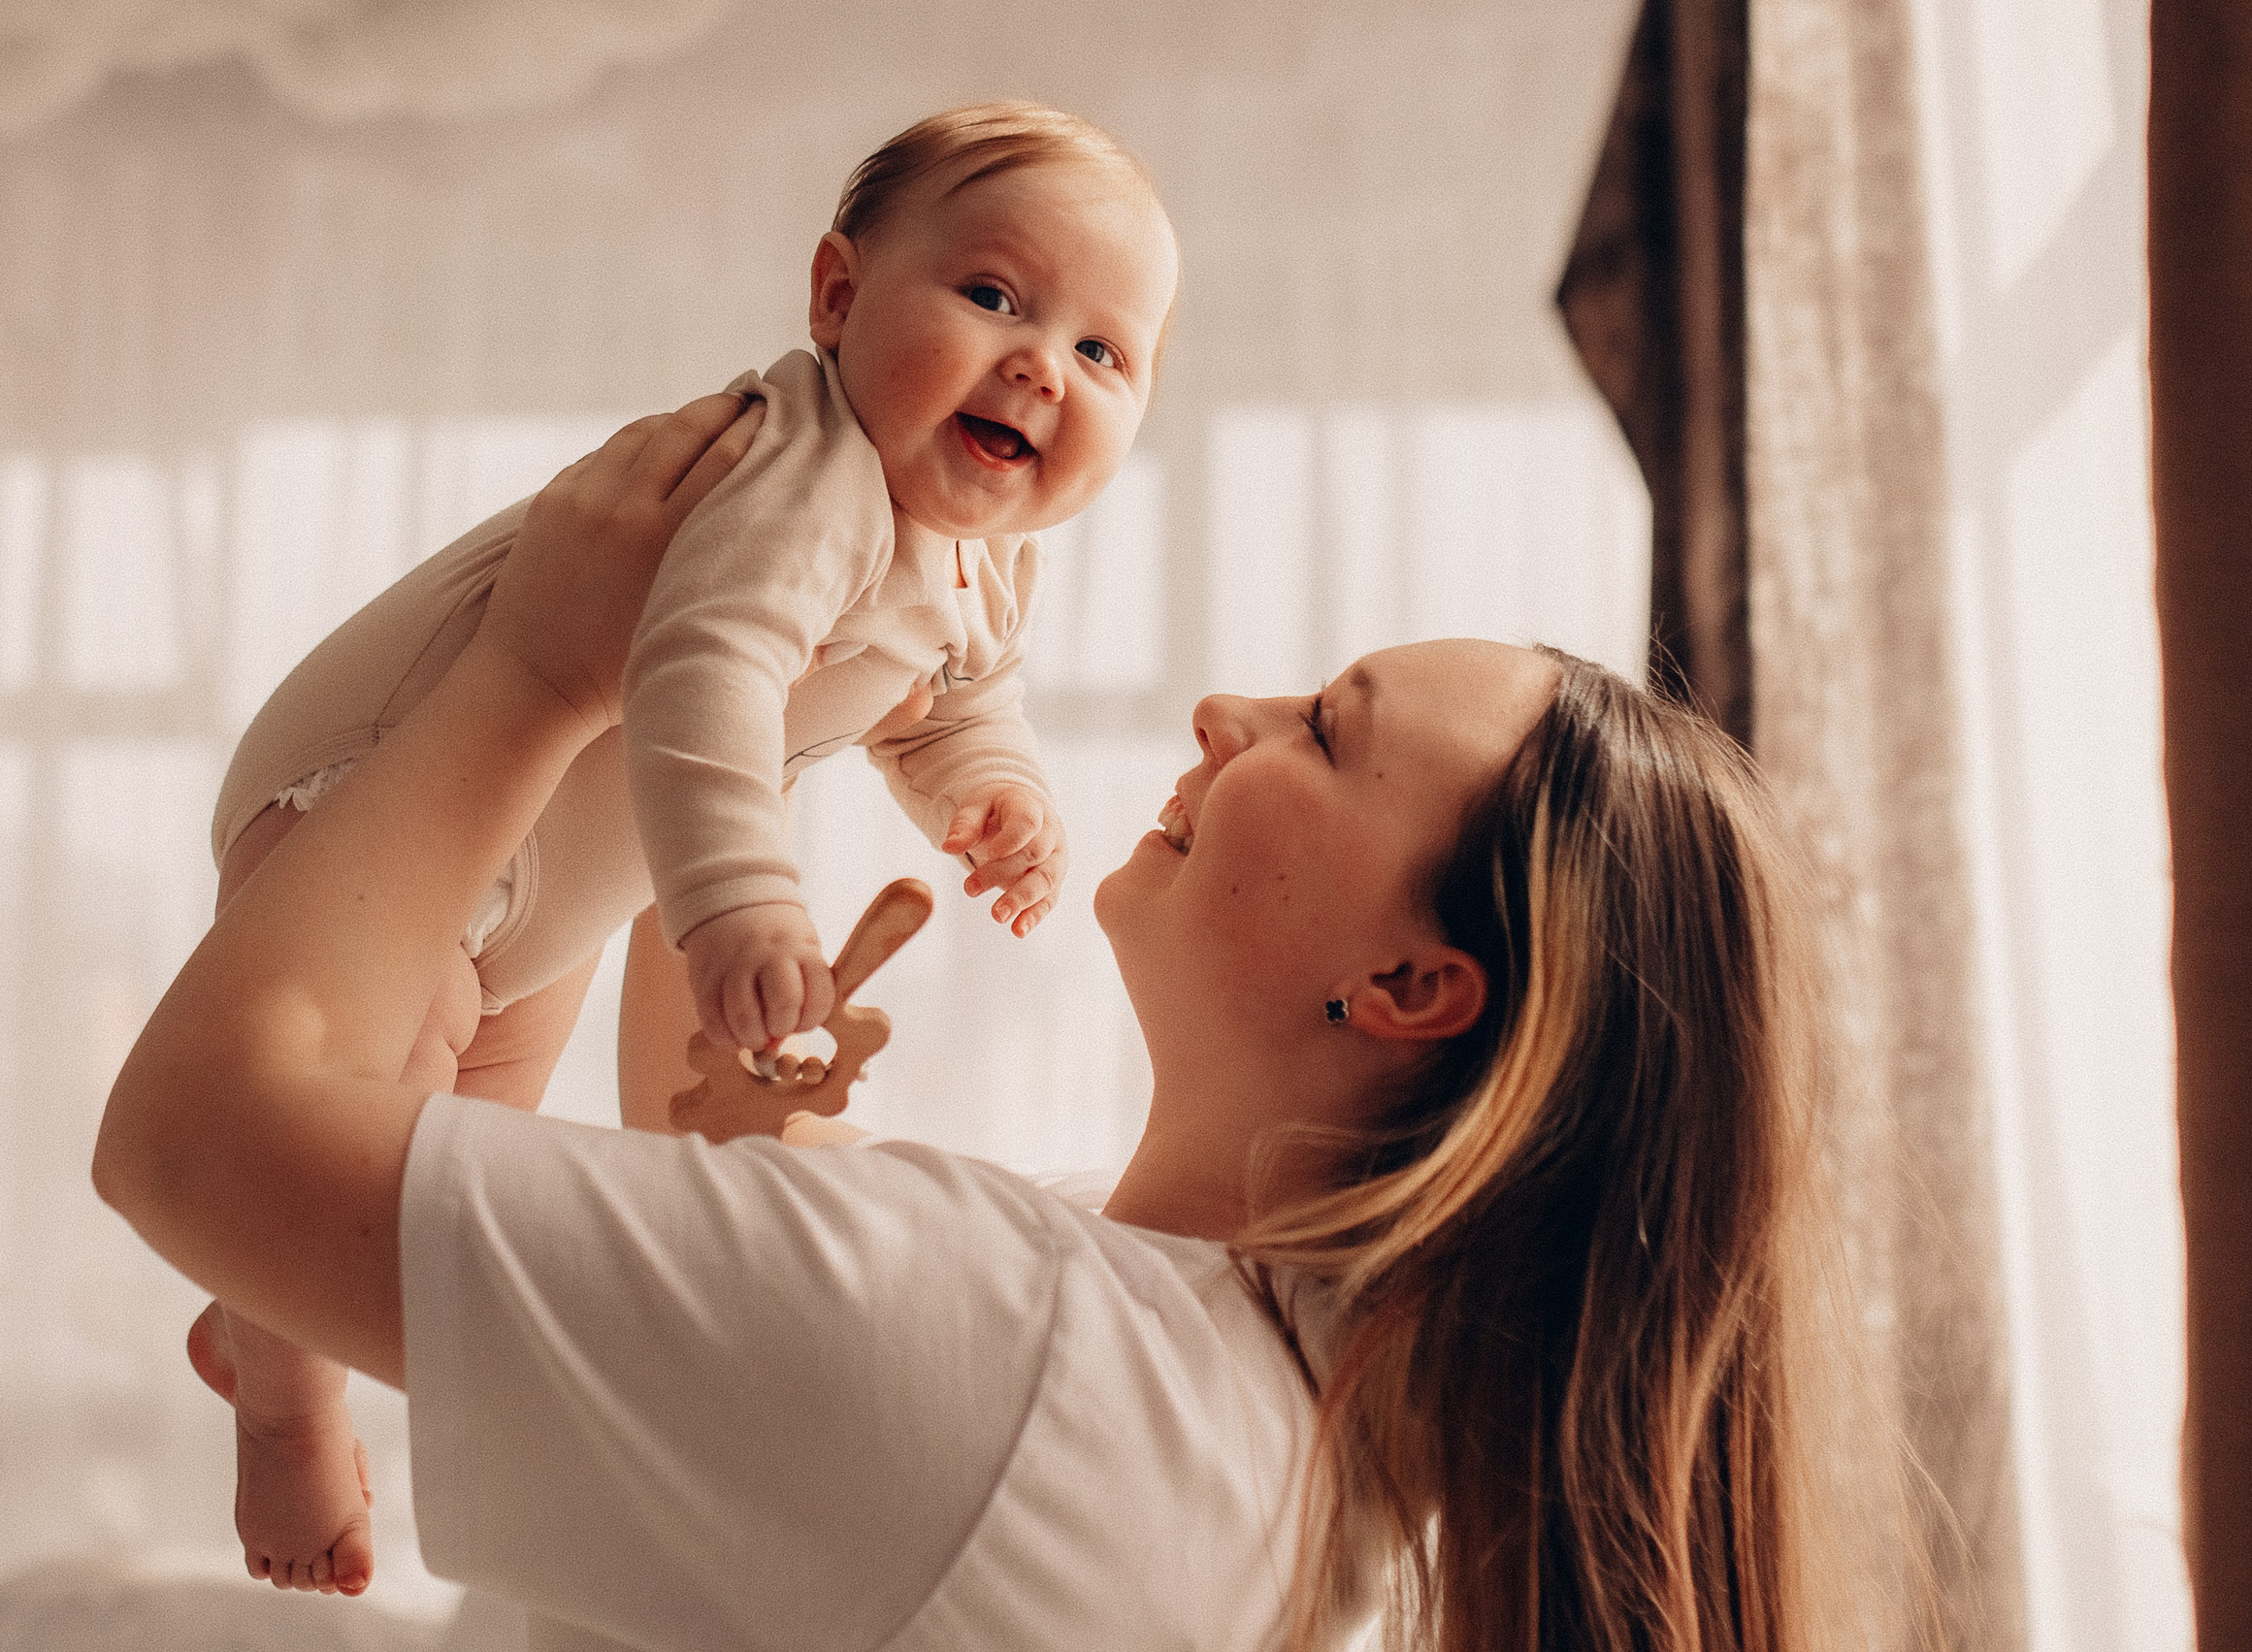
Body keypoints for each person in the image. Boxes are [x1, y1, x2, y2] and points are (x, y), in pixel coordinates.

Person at [98, 398, 1904, 1650]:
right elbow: (712, 1172)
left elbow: (195, 1140)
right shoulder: (1257, 1429)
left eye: (1329, 731)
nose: (1225, 707)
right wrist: (738, 693)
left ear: (1416, 990)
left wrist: (536, 672)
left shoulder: (1003, 1352)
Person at [190, 100, 1182, 1592]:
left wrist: (1000, 795)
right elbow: (704, 672)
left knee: (452, 1178)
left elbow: (951, 707)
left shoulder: (983, 563)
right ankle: (283, 1400)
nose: (1045, 364)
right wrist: (738, 909)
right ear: (838, 296)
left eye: (1106, 353)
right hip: (373, 801)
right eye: (992, 295)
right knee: (350, 1152)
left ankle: (259, 1310)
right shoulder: (806, 475)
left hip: (543, 890)